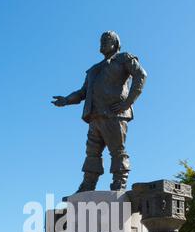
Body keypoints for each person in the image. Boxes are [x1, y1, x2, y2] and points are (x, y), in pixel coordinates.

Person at [52, 31, 147, 193]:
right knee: (92, 154)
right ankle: (88, 185)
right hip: (95, 117)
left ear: (116, 43)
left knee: (117, 151)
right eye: (101, 40)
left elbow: (141, 75)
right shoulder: (94, 70)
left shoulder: (124, 58)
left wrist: (127, 103)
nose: (102, 43)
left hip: (114, 114)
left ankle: (119, 183)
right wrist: (66, 100)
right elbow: (83, 92)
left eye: (107, 40)